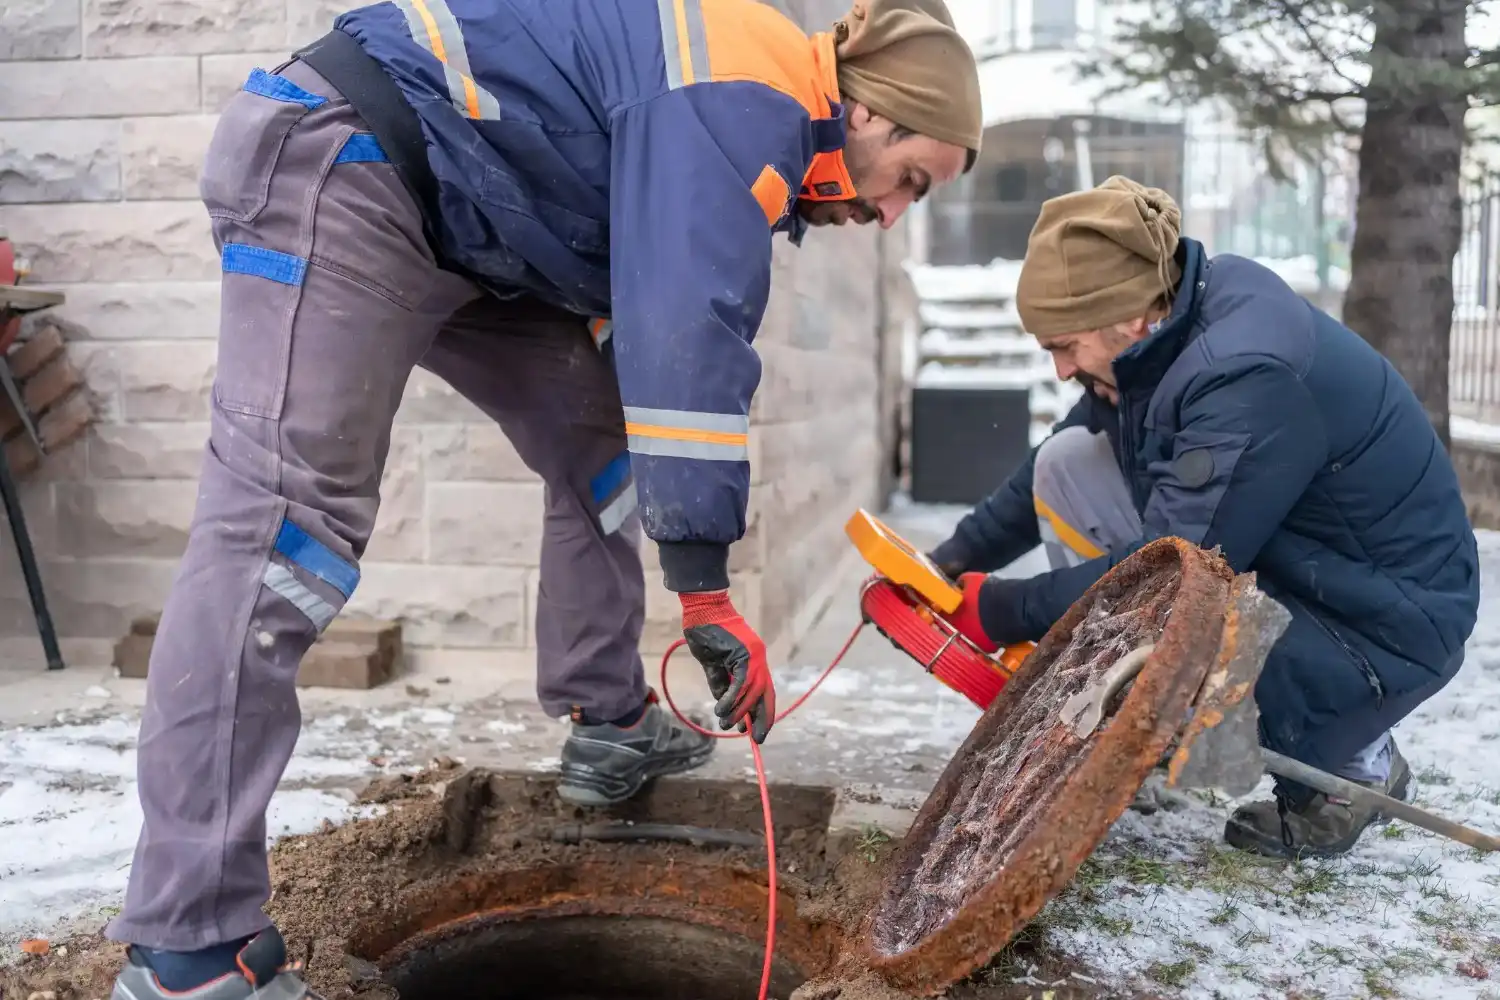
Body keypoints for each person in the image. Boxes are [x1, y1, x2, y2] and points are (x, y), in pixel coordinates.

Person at [104, 0, 982, 995]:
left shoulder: (761, 110)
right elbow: (687, 333)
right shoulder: (750, 93)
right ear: (869, 113)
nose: (893, 213)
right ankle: (187, 944)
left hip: (470, 222)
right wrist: (704, 594)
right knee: (284, 536)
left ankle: (605, 716)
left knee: (596, 448)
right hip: (349, 159)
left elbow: (635, 278)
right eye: (911, 180)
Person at [930, 175, 1480, 860]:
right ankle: (1124, 702)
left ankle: (1352, 769)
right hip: (1300, 560)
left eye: (1064, 345)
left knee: (1188, 645)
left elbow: (1170, 567)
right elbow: (1066, 461)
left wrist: (1003, 609)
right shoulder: (1164, 333)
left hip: (1379, 621)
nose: (1060, 366)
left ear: (1129, 316)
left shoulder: (1243, 374)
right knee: (1069, 460)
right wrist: (952, 561)